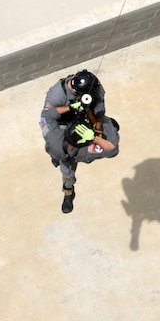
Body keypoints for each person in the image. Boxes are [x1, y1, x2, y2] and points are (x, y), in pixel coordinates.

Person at [39, 69, 120, 213]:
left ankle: (109, 125)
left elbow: (99, 110)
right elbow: (112, 149)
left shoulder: (94, 86)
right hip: (63, 125)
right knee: (67, 169)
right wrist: (94, 139)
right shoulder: (56, 95)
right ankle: (69, 192)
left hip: (80, 118)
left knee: (105, 126)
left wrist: (98, 130)